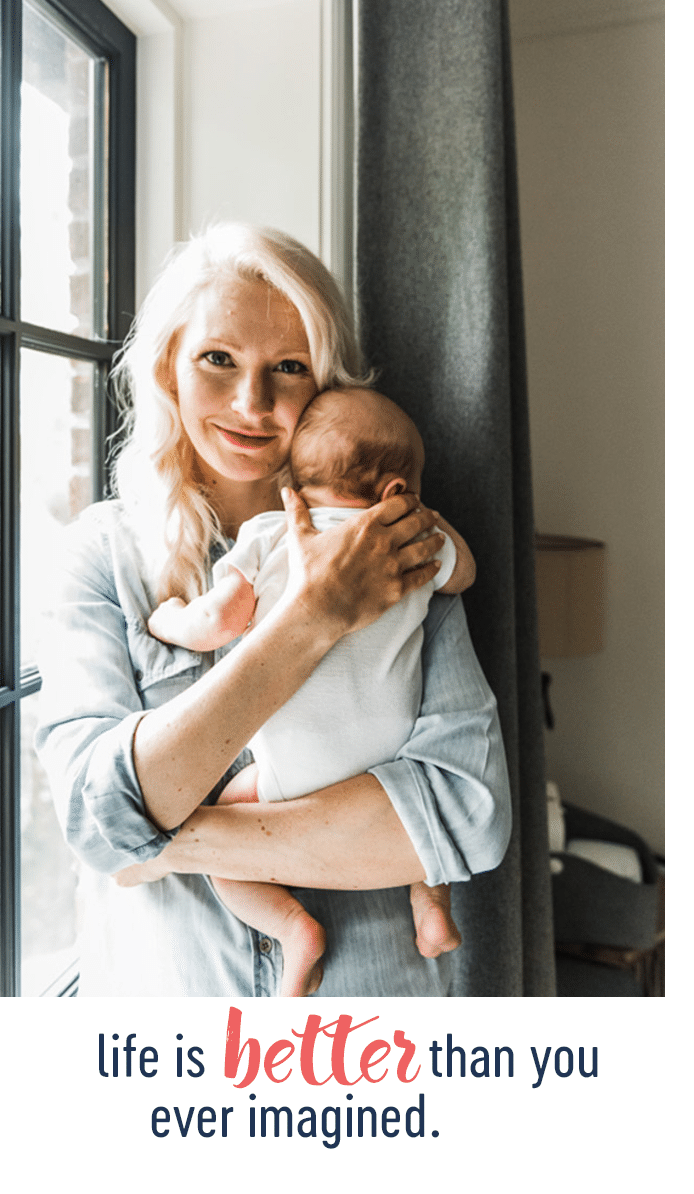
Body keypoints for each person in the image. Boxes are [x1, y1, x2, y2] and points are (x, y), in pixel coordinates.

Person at [35, 222, 511, 997]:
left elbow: (468, 817)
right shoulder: (102, 558)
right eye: (217, 360)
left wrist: (167, 845)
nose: (251, 404)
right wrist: (311, 618)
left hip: (367, 1035)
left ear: (327, 387)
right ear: (168, 368)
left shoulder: (390, 544)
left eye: (288, 368)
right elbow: (98, 818)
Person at [144, 386, 468, 995]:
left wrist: (167, 620)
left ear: (294, 482)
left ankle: (295, 930)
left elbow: (216, 623)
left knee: (218, 839)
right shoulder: (414, 544)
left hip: (294, 766)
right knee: (426, 827)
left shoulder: (270, 533)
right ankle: (430, 909)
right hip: (389, 758)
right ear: (400, 490)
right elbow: (466, 575)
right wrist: (426, 519)